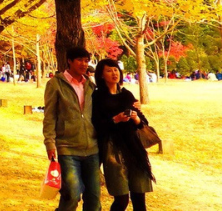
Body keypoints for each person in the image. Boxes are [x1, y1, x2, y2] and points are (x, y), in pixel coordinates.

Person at [43, 46, 101, 211]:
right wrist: (50, 142)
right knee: (72, 194)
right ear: (69, 61)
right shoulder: (56, 84)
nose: (84, 64)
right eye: (80, 60)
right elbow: (49, 116)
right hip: (67, 148)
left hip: (92, 148)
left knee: (94, 199)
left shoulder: (89, 84)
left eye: (86, 60)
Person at [92, 59, 154, 211]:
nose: (114, 73)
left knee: (139, 197)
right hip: (112, 149)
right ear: (101, 75)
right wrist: (115, 119)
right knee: (122, 199)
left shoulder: (126, 94)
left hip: (133, 147)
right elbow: (96, 124)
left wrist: (135, 117)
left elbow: (142, 122)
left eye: (116, 69)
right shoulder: (97, 97)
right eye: (109, 70)